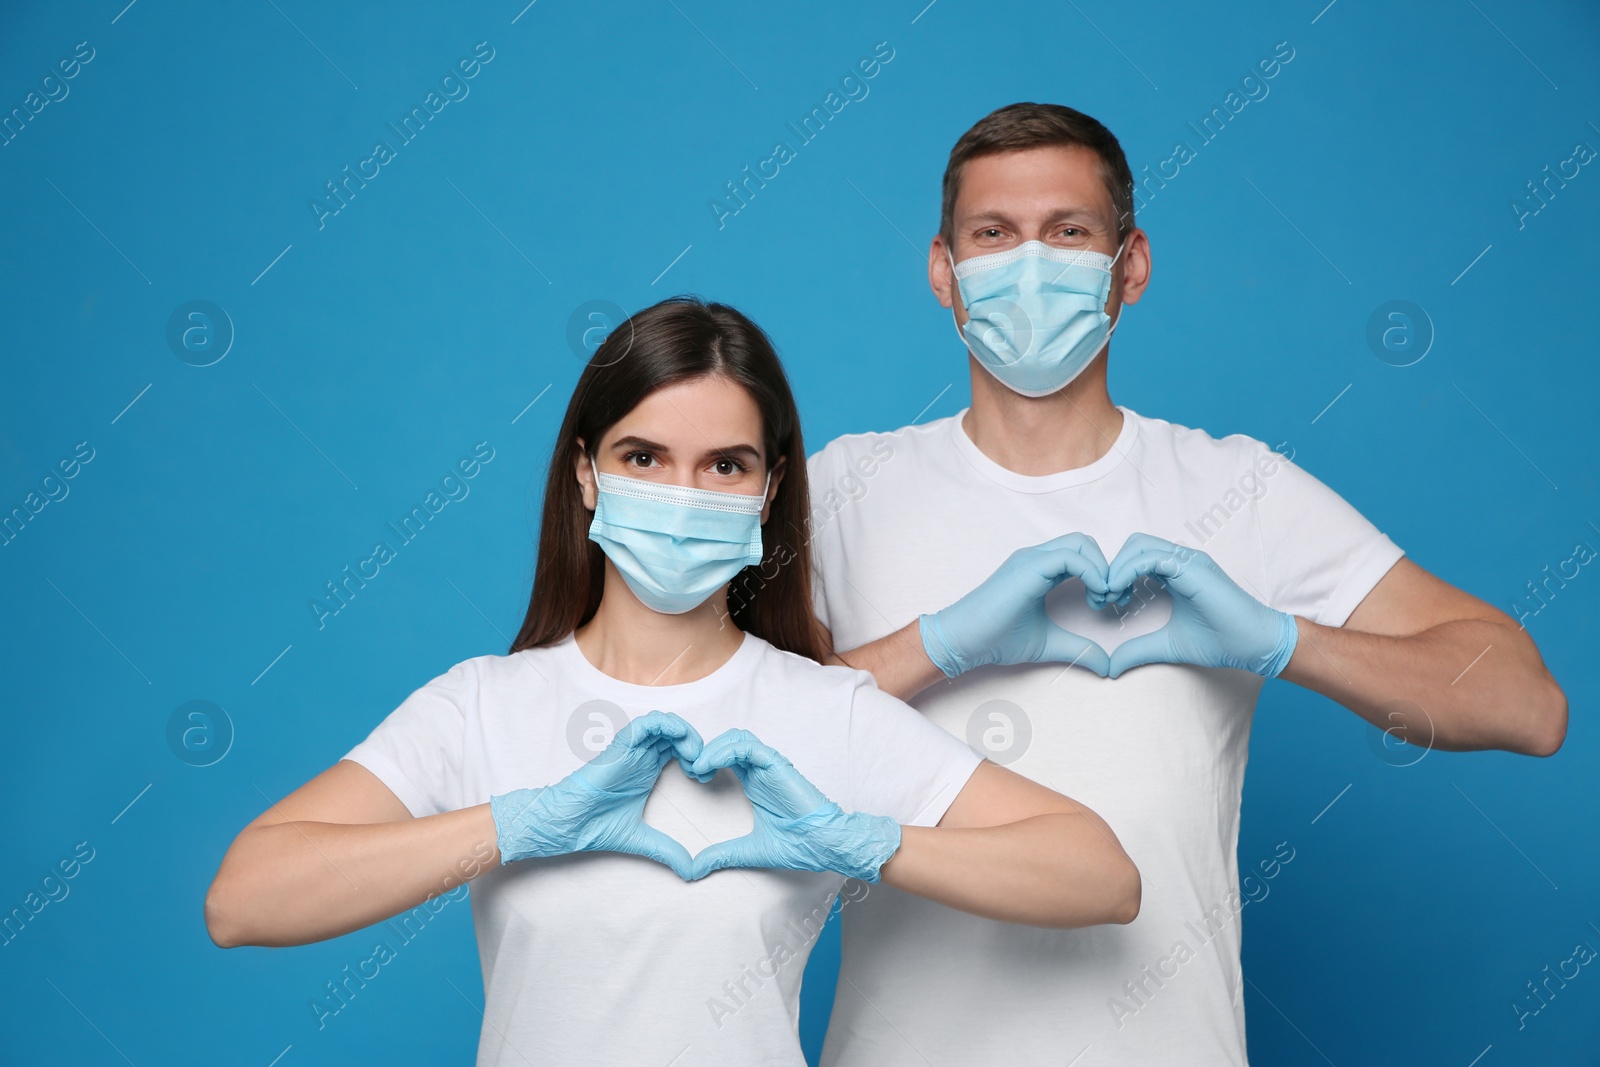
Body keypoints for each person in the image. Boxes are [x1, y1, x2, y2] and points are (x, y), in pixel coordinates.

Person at [807, 102, 1568, 1066]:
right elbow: (719, 748)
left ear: (1132, 267)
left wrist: (1283, 641)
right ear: (942, 271)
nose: (1029, 262)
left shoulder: (1233, 489)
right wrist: (935, 645)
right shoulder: (842, 491)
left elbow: (1527, 704)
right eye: (993, 235)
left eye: (1069, 232)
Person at [202, 296, 1142, 1066]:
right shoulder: (483, 704)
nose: (683, 493)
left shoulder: (823, 713)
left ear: (769, 491)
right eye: (643, 457)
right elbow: (243, 898)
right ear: (585, 473)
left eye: (724, 465)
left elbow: (1102, 875)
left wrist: (860, 840)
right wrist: (513, 824)